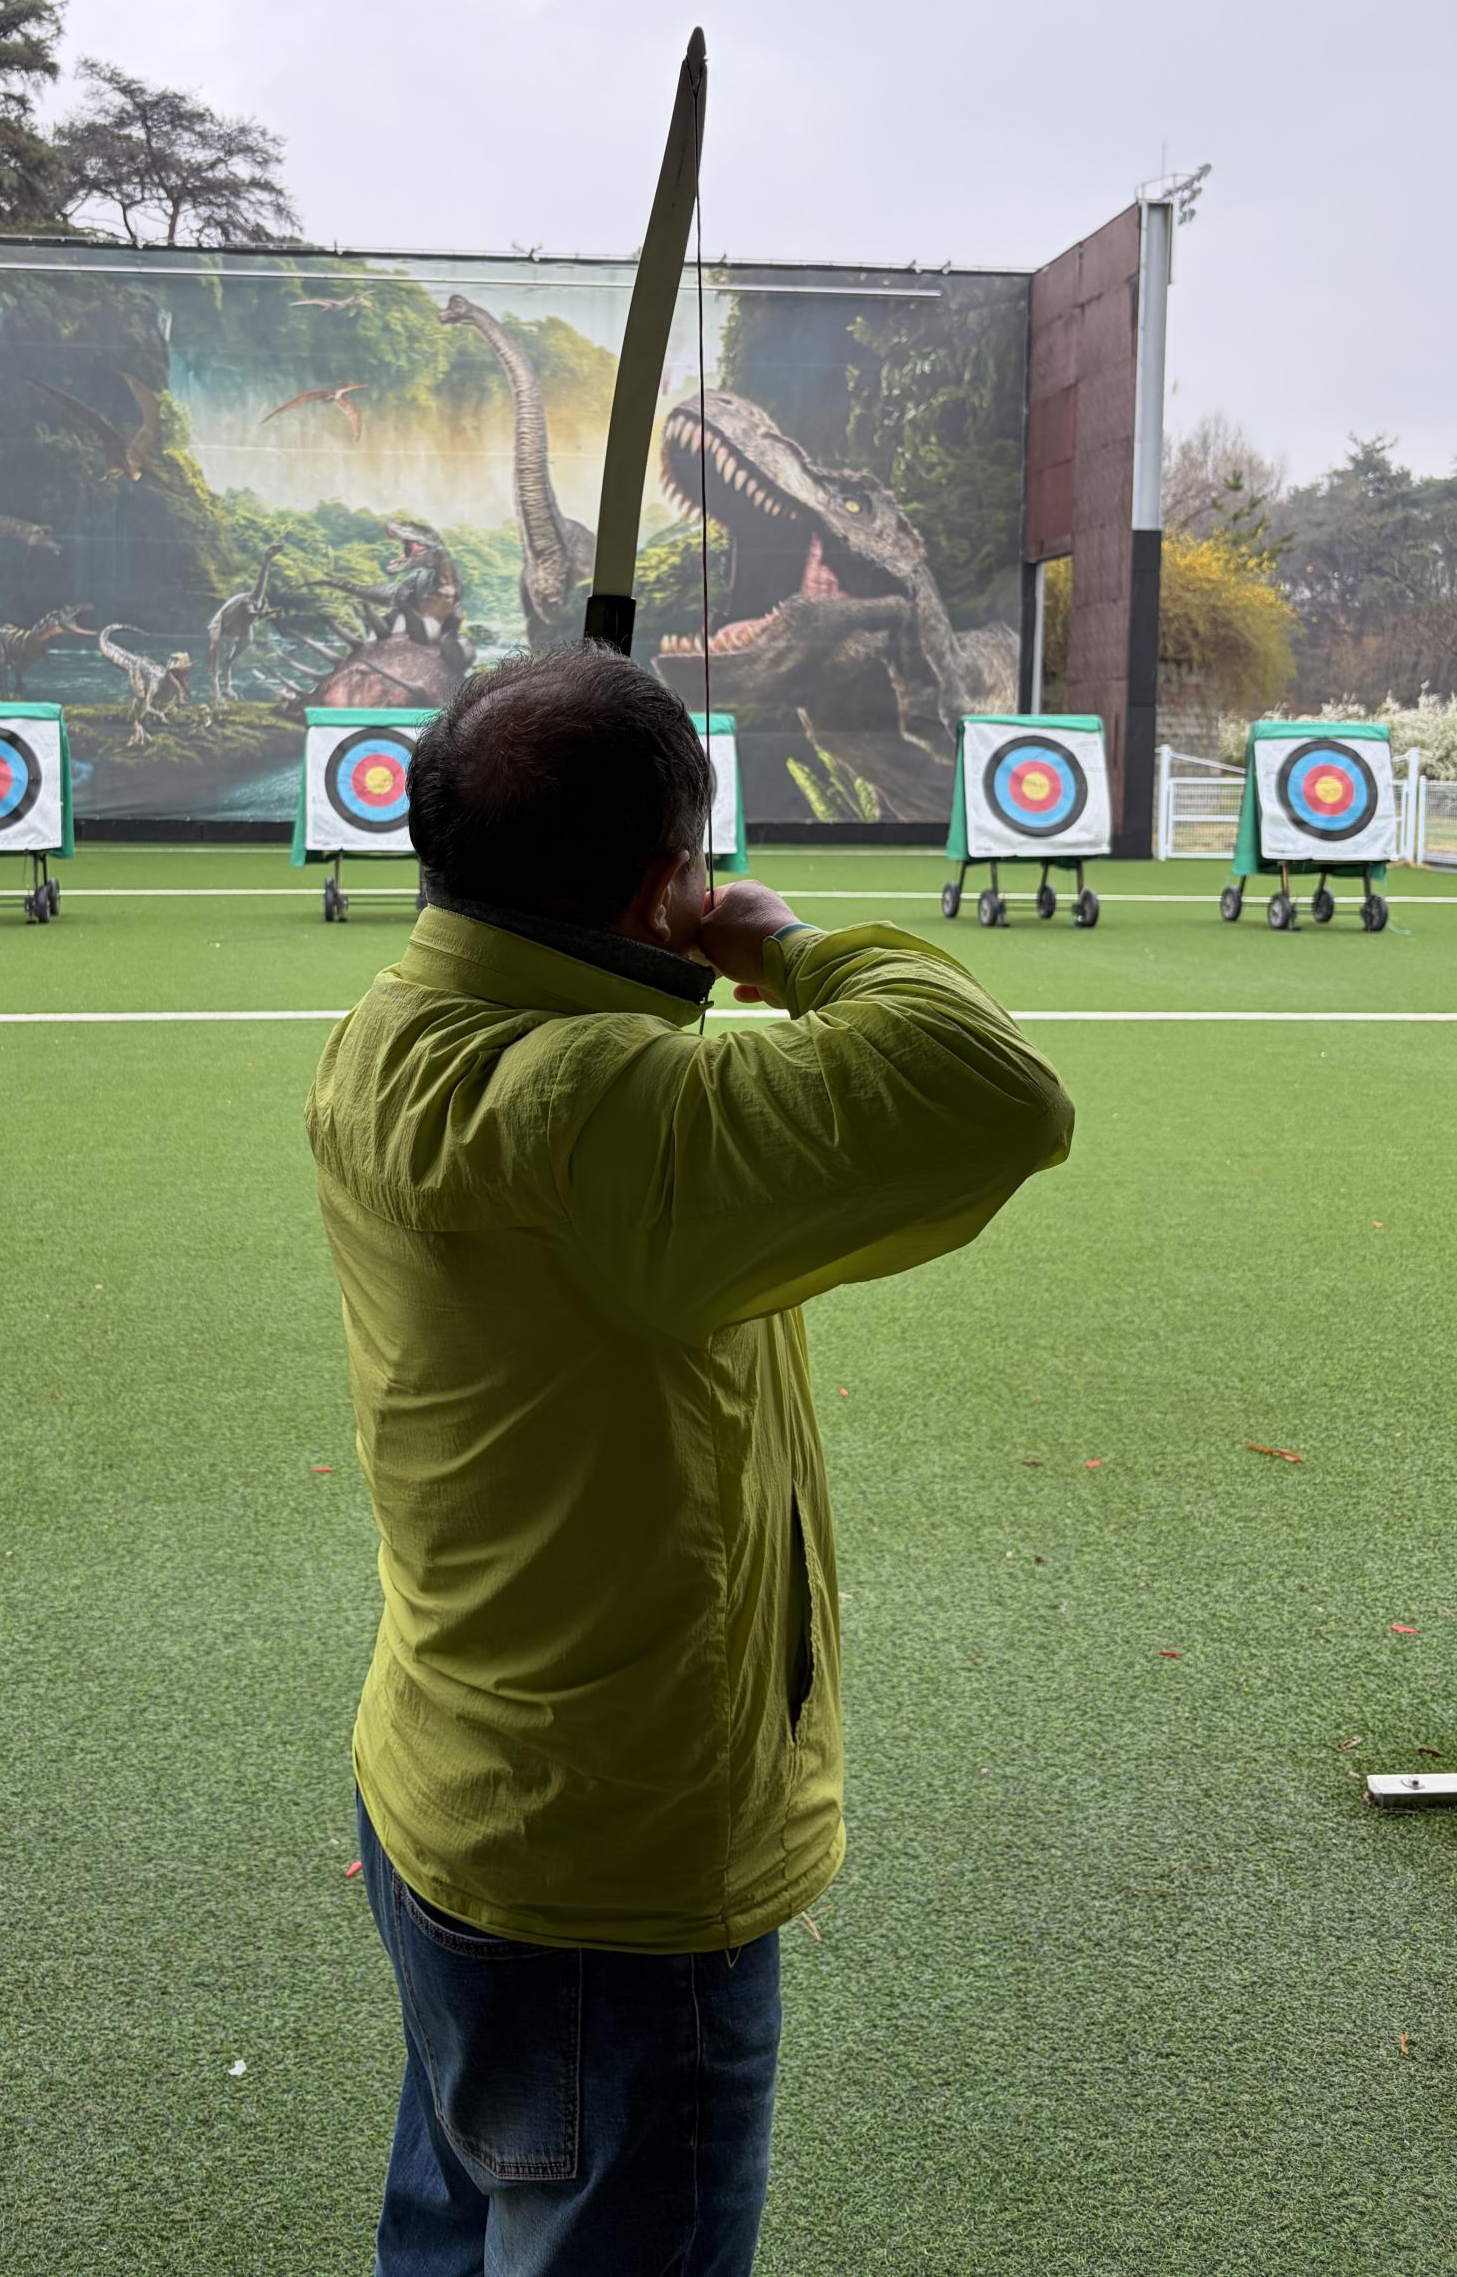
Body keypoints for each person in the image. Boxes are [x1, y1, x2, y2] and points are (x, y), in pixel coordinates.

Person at [305, 647, 1074, 2276]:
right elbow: (994, 1094)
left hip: (449, 1789)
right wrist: (780, 943)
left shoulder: (394, 1023)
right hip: (610, 1864)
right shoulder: (598, 1112)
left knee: (459, 2222)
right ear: (664, 880)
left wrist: (642, 932)